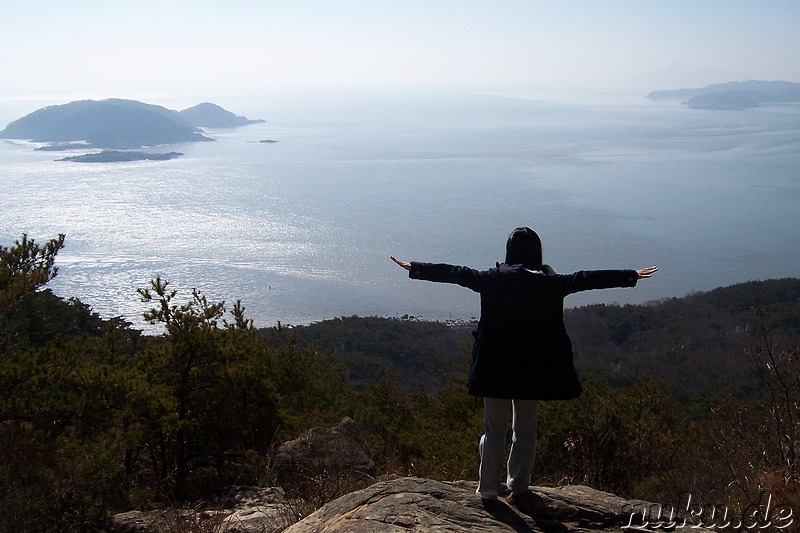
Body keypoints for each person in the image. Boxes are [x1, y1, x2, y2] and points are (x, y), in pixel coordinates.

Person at [390, 227, 657, 515]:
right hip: (533, 370)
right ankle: (518, 487)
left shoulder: (493, 280)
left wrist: (416, 268)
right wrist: (629, 275)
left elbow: (457, 273)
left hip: (494, 369)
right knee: (525, 430)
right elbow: (586, 279)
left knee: (493, 431)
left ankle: (488, 489)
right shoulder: (551, 283)